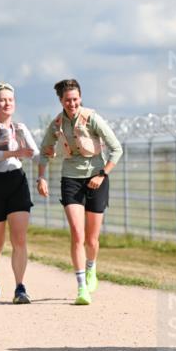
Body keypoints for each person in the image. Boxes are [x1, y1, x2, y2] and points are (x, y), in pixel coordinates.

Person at [37, 78, 123, 305]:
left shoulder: (92, 119)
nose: (71, 104)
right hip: (71, 180)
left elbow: (116, 149)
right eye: (67, 100)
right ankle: (81, 287)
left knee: (92, 240)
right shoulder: (57, 124)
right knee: (77, 233)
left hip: (97, 178)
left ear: (80, 98)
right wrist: (41, 177)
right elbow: (44, 151)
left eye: (75, 99)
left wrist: (102, 174)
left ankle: (91, 268)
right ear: (61, 100)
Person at [0, 82, 40, 304]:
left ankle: (20, 288)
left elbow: (35, 153)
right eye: (2, 99)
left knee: (19, 239)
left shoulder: (19, 128)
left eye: (10, 100)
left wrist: (46, 149)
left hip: (16, 181)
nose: (7, 103)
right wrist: (13, 152)